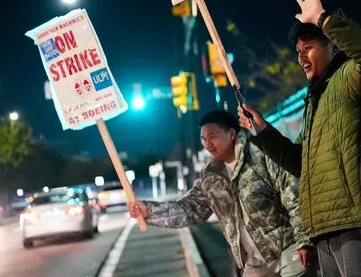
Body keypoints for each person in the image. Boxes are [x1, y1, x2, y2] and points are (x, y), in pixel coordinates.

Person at [238, 0, 361, 277]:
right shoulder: (317, 99)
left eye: (309, 48)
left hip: (358, 220)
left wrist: (322, 18)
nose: (301, 57)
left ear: (333, 44)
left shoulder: (353, 76)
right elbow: (301, 163)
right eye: (298, 51)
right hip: (325, 225)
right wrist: (262, 130)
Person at [127, 110, 314, 277]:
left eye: (212, 137)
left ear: (232, 134)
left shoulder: (259, 155)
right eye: (204, 139)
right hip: (254, 262)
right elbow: (190, 208)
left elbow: (293, 194)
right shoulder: (211, 177)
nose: (207, 144)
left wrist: (303, 240)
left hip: (287, 250)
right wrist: (149, 211)